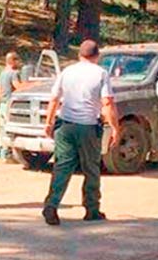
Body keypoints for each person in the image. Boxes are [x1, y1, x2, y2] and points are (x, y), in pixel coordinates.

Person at [41, 40, 120, 225]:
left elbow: (54, 99)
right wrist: (115, 127)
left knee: (62, 167)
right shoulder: (100, 73)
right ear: (97, 56)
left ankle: (51, 205)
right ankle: (92, 209)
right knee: (91, 168)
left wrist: (48, 122)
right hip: (88, 127)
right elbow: (107, 103)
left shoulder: (67, 71)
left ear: (79, 55)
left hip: (66, 125)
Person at [0, 51, 25, 160]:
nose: (19, 62)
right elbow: (17, 86)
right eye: (17, 59)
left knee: (2, 128)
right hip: (10, 104)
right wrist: (31, 86)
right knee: (10, 128)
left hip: (2, 103)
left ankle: (2, 154)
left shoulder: (2, 73)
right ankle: (9, 154)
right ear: (12, 61)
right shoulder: (14, 73)